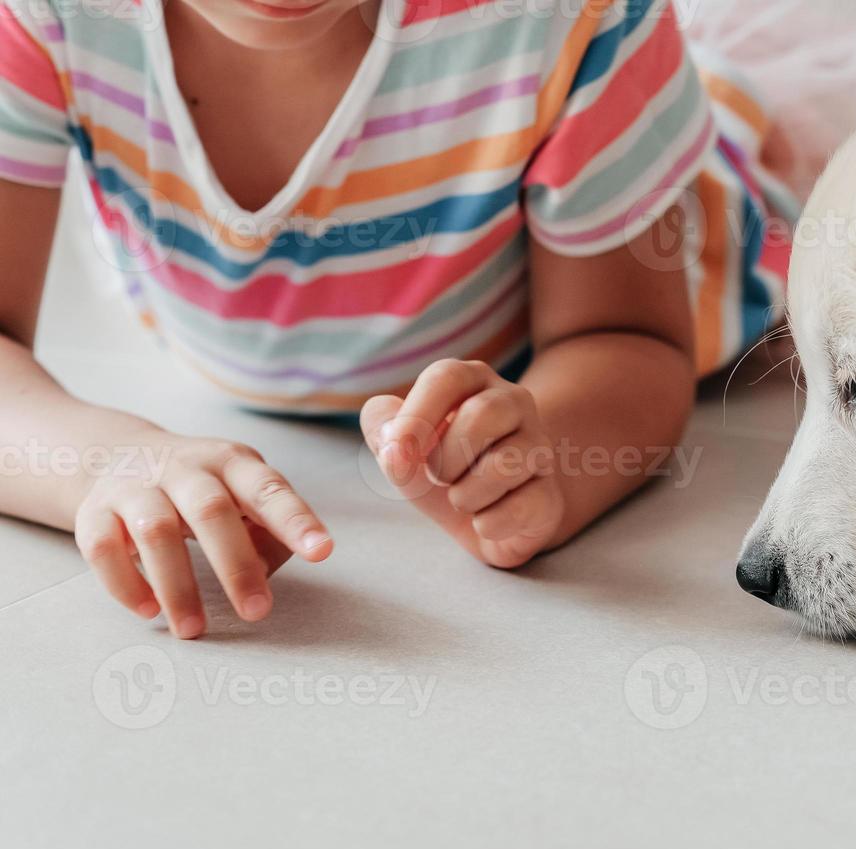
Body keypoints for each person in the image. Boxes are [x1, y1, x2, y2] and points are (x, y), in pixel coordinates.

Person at [0, 0, 795, 637]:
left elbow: (630, 340)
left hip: (705, 237)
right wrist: (100, 462)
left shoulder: (578, 23)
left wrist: (547, 457)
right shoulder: (44, 17)